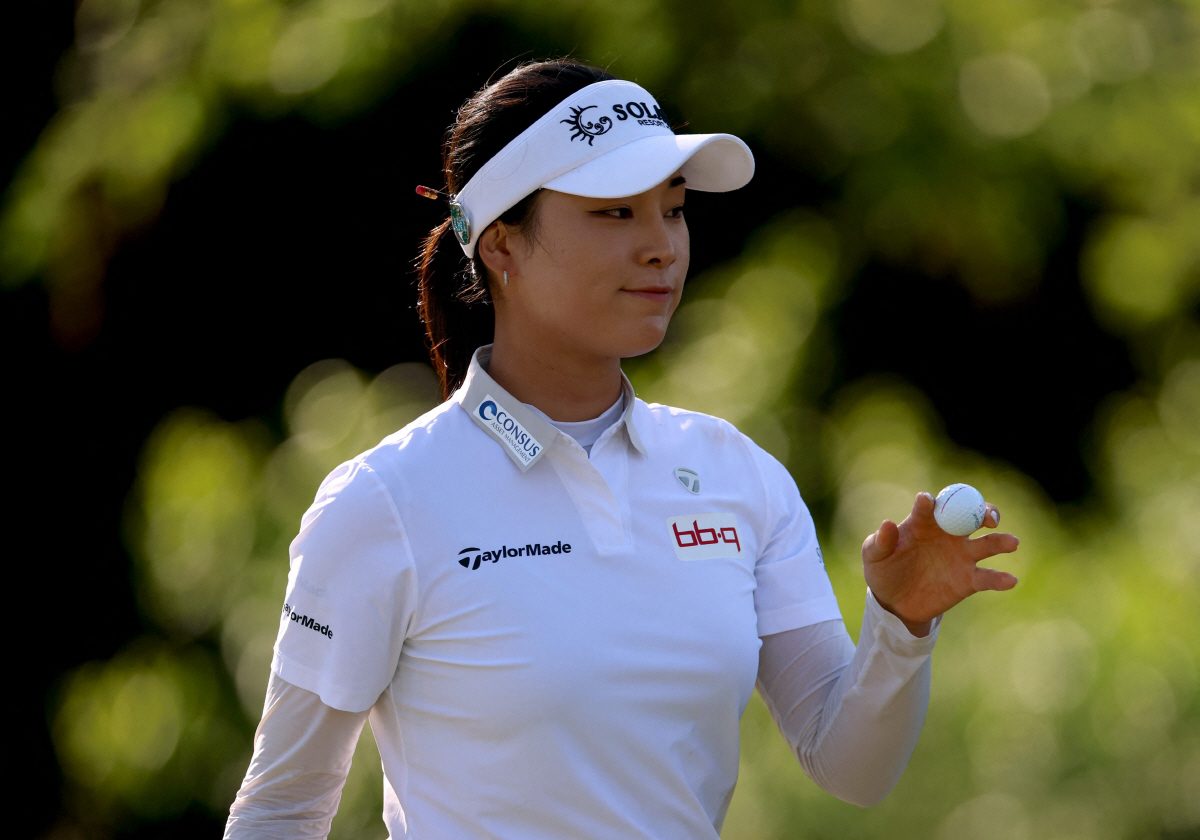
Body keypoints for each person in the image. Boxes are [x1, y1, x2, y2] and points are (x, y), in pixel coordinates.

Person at [224, 58, 1019, 839]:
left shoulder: (737, 476)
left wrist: (899, 625)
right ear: (500, 243)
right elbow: (281, 812)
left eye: (672, 210)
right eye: (614, 213)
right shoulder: (385, 500)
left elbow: (851, 767)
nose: (661, 247)